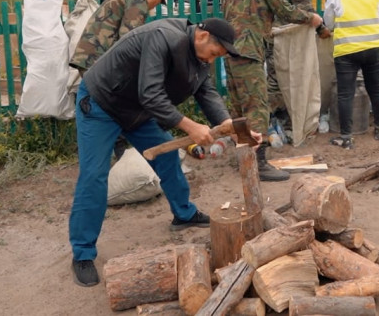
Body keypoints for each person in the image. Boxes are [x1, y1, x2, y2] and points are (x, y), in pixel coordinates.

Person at [69, 17, 254, 287]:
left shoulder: (200, 59)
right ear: (202, 36)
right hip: (102, 104)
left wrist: (226, 124)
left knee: (167, 156)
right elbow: (151, 93)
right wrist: (190, 127)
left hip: (137, 111)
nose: (213, 60)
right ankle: (83, 253)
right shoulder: (162, 36)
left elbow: (207, 93)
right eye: (214, 53)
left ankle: (184, 213)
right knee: (94, 175)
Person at [224, 0, 323, 181]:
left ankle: (244, 159)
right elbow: (285, 11)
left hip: (230, 52)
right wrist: (312, 19)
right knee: (257, 109)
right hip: (250, 53)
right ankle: (258, 166)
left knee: (239, 109)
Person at [323, 0, 379, 148]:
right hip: (373, 47)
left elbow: (329, 22)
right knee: (376, 89)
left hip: (347, 49)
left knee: (345, 93)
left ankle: (346, 137)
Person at [267, 0, 329, 139]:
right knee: (292, 79)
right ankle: (282, 121)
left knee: (272, 79)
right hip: (290, 39)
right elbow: (306, 12)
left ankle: (270, 123)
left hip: (270, 34)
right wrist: (321, 29)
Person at [69, 0, 166, 75]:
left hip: (89, 56)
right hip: (98, 60)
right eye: (158, 3)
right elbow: (130, 39)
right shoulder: (137, 1)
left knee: (92, 90)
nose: (155, 6)